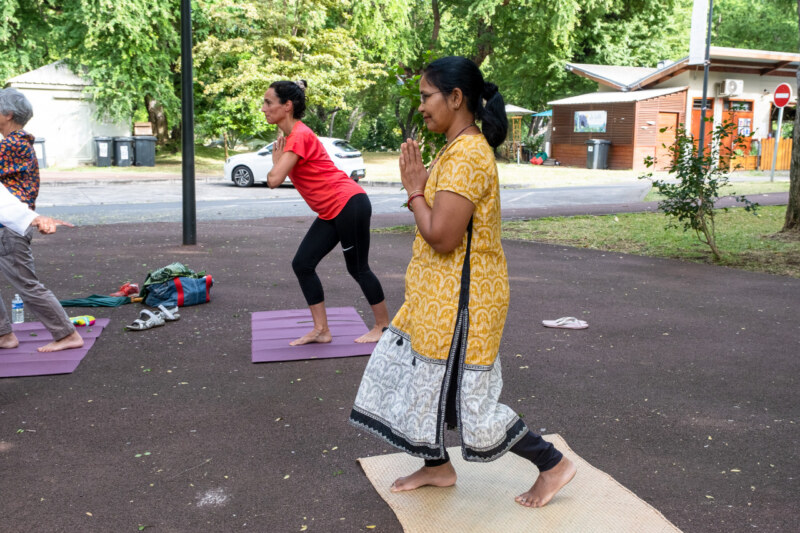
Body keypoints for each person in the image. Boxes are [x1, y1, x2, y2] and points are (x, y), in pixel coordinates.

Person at [350, 57, 576, 508]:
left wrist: (415, 188)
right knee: (424, 383)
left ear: (456, 98)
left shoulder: (469, 154)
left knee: (473, 404)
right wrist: (420, 184)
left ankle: (552, 464)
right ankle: (437, 467)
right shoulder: (454, 149)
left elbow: (443, 235)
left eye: (426, 97)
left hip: (465, 302)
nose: (421, 108)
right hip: (439, 297)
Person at [261, 80, 389, 345]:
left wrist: (276, 164)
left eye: (268, 102)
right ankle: (321, 330)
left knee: (358, 268)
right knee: (303, 264)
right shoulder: (290, 134)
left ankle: (383, 327)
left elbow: (274, 179)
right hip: (332, 210)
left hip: (349, 203)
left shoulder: (298, 136)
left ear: (287, 106)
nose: (263, 108)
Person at [0, 87, 82, 353]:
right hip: (8, 222)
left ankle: (67, 334)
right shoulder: (15, 143)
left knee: (26, 284)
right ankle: (4, 335)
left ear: (8, 114)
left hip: (10, 226)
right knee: (25, 282)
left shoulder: (12, 144)